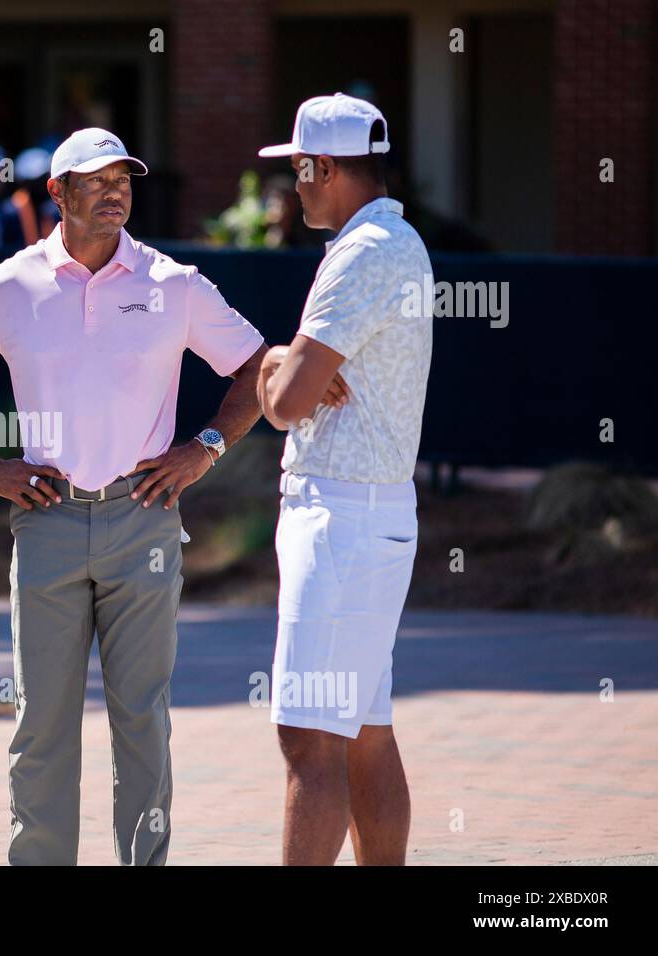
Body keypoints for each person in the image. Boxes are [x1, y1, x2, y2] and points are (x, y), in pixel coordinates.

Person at [0, 127, 266, 865]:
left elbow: (257, 369)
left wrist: (203, 451)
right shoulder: (6, 286)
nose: (115, 191)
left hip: (144, 521)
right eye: (97, 179)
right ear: (58, 192)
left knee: (142, 721)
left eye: (124, 179)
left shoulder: (175, 284)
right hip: (45, 520)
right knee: (41, 723)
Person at [255, 94, 433, 865]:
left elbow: (287, 403)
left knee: (308, 738)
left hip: (342, 521)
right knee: (363, 731)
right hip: (369, 515)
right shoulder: (396, 240)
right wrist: (287, 365)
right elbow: (301, 382)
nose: (292, 189)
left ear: (323, 167)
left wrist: (272, 365)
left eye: (297, 171)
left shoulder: (361, 252)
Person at [8, 147, 58, 245]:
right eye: (33, 182)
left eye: (42, 180)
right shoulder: (10, 213)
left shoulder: (57, 212)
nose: (39, 187)